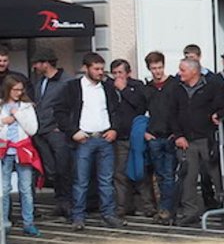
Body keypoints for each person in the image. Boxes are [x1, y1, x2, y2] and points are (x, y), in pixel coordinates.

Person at [53, 51, 123, 230]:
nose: (100, 72)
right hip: (83, 139)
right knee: (80, 181)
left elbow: (116, 110)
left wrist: (114, 129)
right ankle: (78, 216)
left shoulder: (107, 88)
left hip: (105, 138)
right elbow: (59, 111)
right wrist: (73, 131)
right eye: (96, 69)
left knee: (106, 180)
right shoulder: (73, 87)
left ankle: (108, 213)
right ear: (86, 68)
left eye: (102, 69)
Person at [172, 56, 224, 226]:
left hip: (207, 139)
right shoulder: (177, 89)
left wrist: (218, 115)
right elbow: (172, 113)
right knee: (188, 177)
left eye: (183, 70)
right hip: (186, 140)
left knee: (216, 175)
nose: (179, 73)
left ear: (194, 71)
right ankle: (190, 212)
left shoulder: (212, 87)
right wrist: (178, 135)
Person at [29, 48, 75, 218]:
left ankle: (68, 204)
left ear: (46, 63)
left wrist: (64, 126)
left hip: (57, 132)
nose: (34, 67)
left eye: (37, 63)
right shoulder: (41, 82)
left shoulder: (66, 81)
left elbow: (73, 106)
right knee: (52, 170)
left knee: (64, 168)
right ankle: (60, 202)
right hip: (41, 131)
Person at [109, 59, 155, 219]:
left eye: (120, 73)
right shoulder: (109, 87)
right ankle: (123, 206)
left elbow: (141, 106)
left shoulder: (138, 86)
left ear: (128, 73)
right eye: (114, 73)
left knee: (140, 171)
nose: (117, 76)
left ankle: (149, 206)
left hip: (136, 136)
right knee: (120, 174)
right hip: (119, 137)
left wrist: (124, 90)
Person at [0, 75, 42, 237]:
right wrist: (3, 121)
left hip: (22, 150)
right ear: (8, 89)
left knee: (25, 188)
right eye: (15, 90)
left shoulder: (26, 107)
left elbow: (32, 129)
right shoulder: (1, 106)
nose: (18, 93)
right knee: (4, 189)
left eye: (20, 90)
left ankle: (28, 223)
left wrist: (18, 114)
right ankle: (4, 223)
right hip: (4, 151)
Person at [142, 51, 180, 222]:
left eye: (159, 67)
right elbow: (141, 112)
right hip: (154, 137)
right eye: (154, 68)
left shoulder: (174, 85)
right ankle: (164, 207)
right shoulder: (147, 88)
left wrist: (177, 132)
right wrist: (145, 133)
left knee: (169, 174)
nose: (157, 71)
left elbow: (179, 109)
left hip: (170, 136)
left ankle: (167, 209)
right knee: (159, 175)